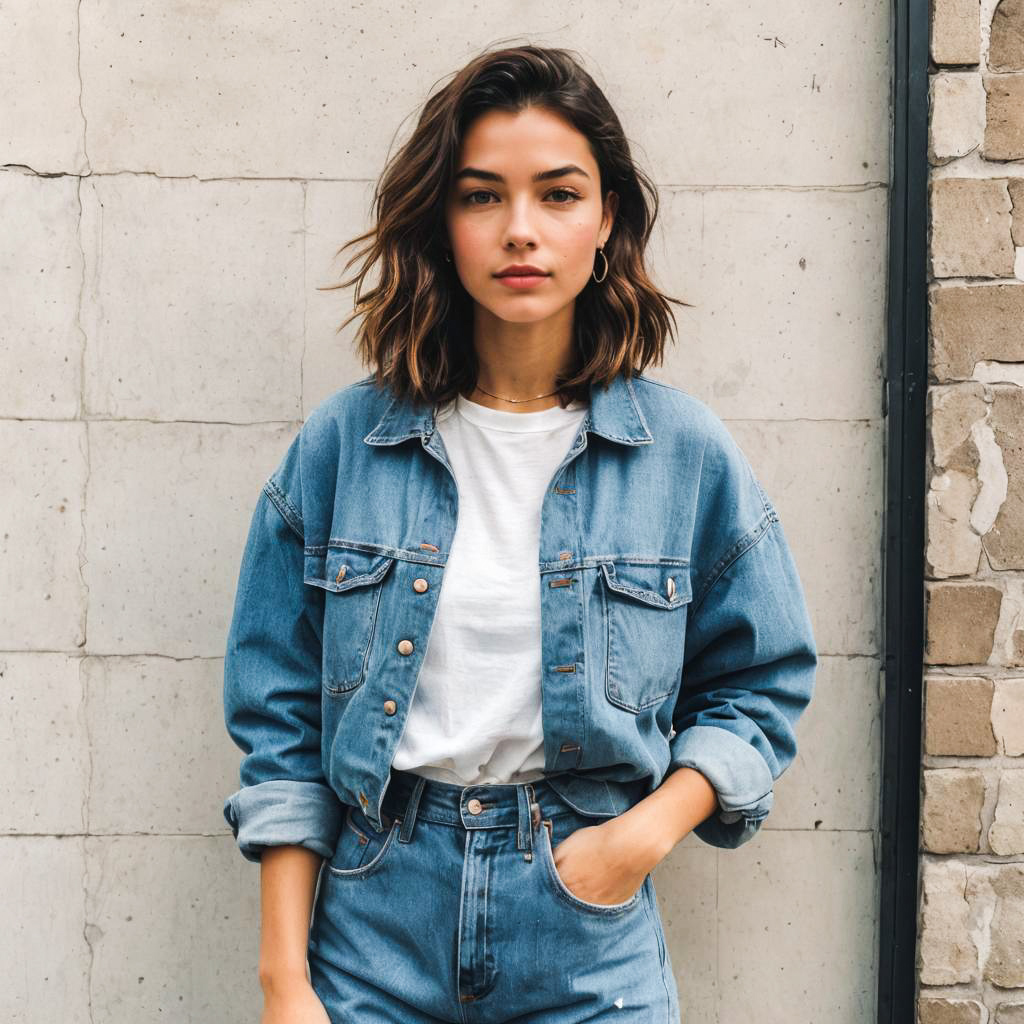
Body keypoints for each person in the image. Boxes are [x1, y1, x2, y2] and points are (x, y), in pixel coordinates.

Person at [222, 43, 818, 1024]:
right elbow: (280, 726)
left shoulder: (680, 454)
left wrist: (642, 836)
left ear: (606, 217)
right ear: (442, 222)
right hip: (375, 926)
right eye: (481, 196)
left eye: (557, 194)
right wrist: (284, 980)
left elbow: (761, 682)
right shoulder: (343, 447)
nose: (520, 231)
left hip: (586, 930)